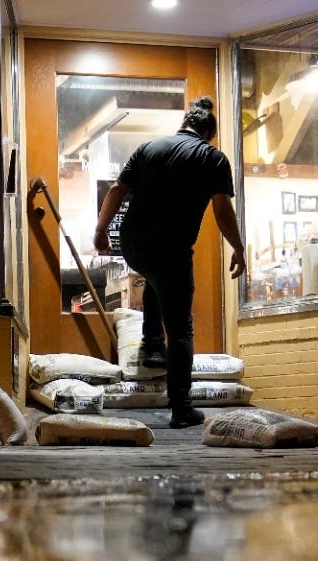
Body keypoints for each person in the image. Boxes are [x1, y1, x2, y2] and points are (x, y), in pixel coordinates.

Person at [93, 96, 246, 429]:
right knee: (181, 330)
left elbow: (118, 190)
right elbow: (222, 210)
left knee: (154, 280)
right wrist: (238, 248)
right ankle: (181, 407)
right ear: (209, 133)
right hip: (171, 249)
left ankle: (151, 347)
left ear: (184, 125)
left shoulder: (149, 148)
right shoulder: (213, 158)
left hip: (133, 244)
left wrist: (101, 230)